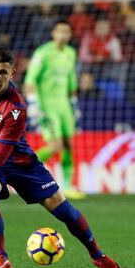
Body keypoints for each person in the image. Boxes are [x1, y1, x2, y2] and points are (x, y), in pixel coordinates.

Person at [0, 47, 120, 268]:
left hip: (20, 163)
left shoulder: (15, 108)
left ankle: (98, 255)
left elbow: (1, 156)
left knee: (65, 211)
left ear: (12, 73)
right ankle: (1, 258)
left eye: (3, 73)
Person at [24, 20, 86, 200]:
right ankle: (20, 170)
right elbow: (30, 80)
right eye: (60, 31)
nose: (63, 35)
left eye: (66, 32)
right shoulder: (43, 53)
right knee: (56, 145)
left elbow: (71, 80)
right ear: (53, 33)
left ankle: (67, 185)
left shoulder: (70, 53)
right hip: (47, 106)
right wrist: (33, 104)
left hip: (64, 106)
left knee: (68, 144)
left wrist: (74, 104)